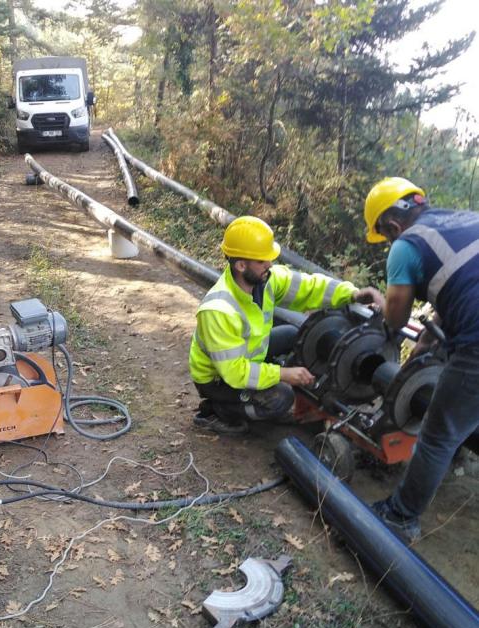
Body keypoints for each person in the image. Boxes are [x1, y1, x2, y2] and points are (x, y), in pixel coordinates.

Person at [189, 215, 384, 434]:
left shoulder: (266, 280)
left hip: (247, 356)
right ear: (241, 265)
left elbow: (311, 287)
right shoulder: (218, 310)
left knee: (293, 334)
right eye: (262, 261)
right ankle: (220, 411)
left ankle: (262, 395)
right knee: (281, 397)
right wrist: (283, 374)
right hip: (218, 379)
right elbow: (234, 372)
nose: (269, 265)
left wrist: (354, 294)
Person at [364, 176, 479, 543]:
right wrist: (426, 342)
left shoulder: (407, 245)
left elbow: (396, 319)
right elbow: (461, 287)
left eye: (385, 237)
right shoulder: (464, 219)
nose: (389, 243)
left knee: (437, 434)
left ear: (392, 226)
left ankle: (400, 516)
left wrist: (383, 304)